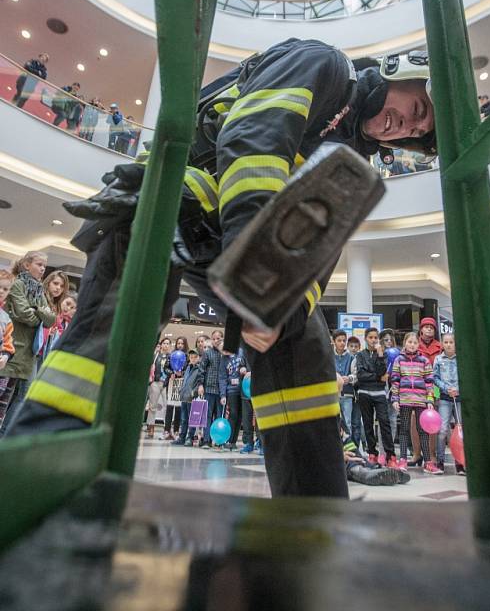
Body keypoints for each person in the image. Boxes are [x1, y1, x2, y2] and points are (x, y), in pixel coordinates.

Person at [10, 41, 437, 498]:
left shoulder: (352, 158)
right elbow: (254, 143)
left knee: (303, 345)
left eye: (415, 130)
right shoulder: (325, 67)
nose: (406, 126)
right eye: (414, 107)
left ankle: (313, 520)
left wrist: (281, 311)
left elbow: (317, 256)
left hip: (229, 241)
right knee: (111, 334)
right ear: (397, 71)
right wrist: (259, 288)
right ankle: (26, 492)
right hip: (168, 199)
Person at [1, 252, 55, 434]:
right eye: (39, 264)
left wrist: (38, 310)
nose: (42, 269)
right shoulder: (17, 285)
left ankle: (5, 435)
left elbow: (50, 319)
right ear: (26, 264)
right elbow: (26, 315)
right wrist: (39, 315)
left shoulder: (39, 290)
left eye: (44, 266)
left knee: (23, 396)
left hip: (31, 353)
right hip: (14, 349)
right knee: (4, 395)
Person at [391, 332, 440, 473]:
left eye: (414, 342)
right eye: (409, 342)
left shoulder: (424, 361)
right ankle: (403, 461)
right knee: (404, 430)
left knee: (423, 431)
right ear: (405, 343)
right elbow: (395, 380)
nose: (412, 345)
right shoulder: (398, 360)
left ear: (418, 345)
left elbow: (430, 382)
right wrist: (395, 398)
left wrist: (430, 399)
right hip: (405, 399)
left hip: (421, 400)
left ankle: (428, 462)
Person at [356, 327, 398, 468]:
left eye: (375, 338)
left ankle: (390, 456)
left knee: (384, 423)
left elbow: (383, 372)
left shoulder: (384, 354)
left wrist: (380, 356)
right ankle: (372, 453)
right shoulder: (360, 355)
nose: (373, 340)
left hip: (379, 393)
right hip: (364, 393)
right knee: (368, 424)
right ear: (366, 339)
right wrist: (377, 377)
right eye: (370, 337)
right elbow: (361, 376)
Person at [409, 316, 442, 466]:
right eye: (426, 326)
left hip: (433, 386)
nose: (429, 329)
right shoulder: (414, 345)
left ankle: (431, 454)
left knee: (432, 420)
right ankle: (416, 453)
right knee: (414, 421)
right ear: (421, 329)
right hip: (414, 385)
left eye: (432, 327)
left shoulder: (440, 347)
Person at [433, 332, 464, 473]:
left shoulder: (462, 359)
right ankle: (440, 461)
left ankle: (460, 462)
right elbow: (435, 378)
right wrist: (446, 388)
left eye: (451, 342)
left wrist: (458, 389)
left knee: (460, 430)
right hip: (445, 398)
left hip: (459, 399)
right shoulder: (438, 359)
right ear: (442, 344)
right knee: (443, 430)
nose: (449, 345)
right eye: (446, 342)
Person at [197, 335, 224, 448]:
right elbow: (201, 369)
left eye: (218, 338)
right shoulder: (207, 353)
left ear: (222, 339)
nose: (216, 340)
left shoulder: (225, 354)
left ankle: (218, 440)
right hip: (208, 388)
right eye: (214, 338)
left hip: (221, 391)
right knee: (207, 416)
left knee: (219, 416)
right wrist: (200, 385)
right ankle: (206, 440)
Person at [219, 348, 247, 450]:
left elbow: (247, 364)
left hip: (243, 388)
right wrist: (223, 395)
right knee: (233, 414)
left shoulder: (241, 352)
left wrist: (245, 369)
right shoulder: (224, 359)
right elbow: (222, 377)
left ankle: (233, 442)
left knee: (240, 415)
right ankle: (229, 440)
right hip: (231, 390)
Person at [173, 348, 201, 446]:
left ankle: (190, 437)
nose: (193, 359)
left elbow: (200, 383)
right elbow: (185, 380)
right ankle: (182, 437)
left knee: (192, 419)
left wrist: (194, 393)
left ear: (199, 358)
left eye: (195, 357)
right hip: (184, 396)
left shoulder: (199, 369)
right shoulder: (188, 367)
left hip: (192, 397)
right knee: (183, 419)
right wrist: (182, 390)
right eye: (191, 357)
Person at [146, 338, 172, 438]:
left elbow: (173, 370)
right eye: (164, 343)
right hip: (155, 382)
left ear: (170, 345)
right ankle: (151, 426)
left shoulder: (171, 357)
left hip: (167, 383)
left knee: (168, 405)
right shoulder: (156, 356)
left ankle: (167, 429)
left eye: (167, 343)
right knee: (152, 406)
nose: (165, 345)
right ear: (161, 345)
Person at [0, 270, 16, 429]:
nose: (1, 291)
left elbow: (8, 343)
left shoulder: (6, 318)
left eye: (5, 289)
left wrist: (5, 356)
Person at [333, 329, 354, 437]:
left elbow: (356, 373)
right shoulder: (329, 356)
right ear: (333, 341)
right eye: (339, 340)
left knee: (348, 422)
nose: (342, 343)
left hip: (347, 394)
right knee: (334, 423)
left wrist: (350, 378)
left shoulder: (351, 356)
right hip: (333, 394)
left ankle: (348, 449)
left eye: (344, 340)